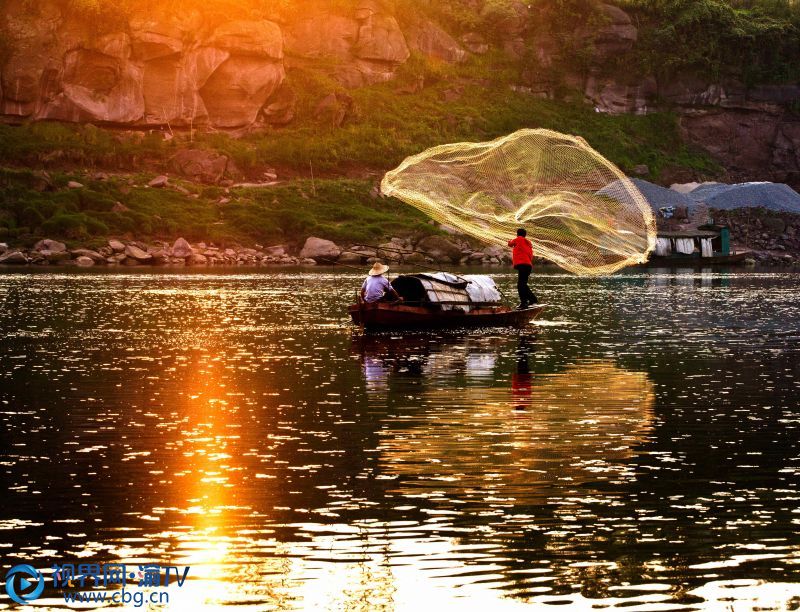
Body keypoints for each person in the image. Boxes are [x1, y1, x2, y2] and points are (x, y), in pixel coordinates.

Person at [508, 228, 537, 309]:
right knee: (523, 284)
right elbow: (530, 256)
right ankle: (532, 299)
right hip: (528, 266)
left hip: (522, 265)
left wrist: (509, 241)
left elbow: (510, 244)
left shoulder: (518, 239)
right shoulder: (528, 243)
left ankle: (524, 303)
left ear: (518, 234)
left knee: (520, 285)